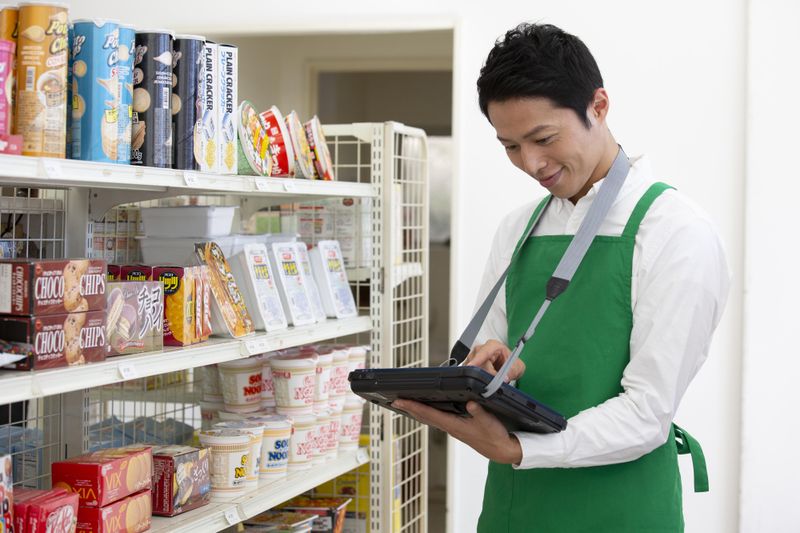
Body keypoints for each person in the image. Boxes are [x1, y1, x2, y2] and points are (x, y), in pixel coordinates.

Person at [392, 23, 730, 532]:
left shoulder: (676, 233)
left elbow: (647, 412)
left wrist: (520, 448)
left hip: (622, 510)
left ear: (599, 106)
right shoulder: (518, 230)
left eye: (544, 138)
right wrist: (487, 369)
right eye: (510, 146)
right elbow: (494, 346)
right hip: (514, 506)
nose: (531, 163)